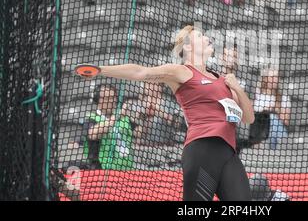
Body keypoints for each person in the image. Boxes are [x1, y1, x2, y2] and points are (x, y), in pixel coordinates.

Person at [75, 25, 255, 201]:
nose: (208, 39)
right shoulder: (182, 71)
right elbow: (140, 71)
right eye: (201, 36)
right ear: (187, 46)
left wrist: (237, 88)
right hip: (202, 148)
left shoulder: (223, 80)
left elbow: (248, 118)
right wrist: (102, 70)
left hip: (228, 153)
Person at [81, 84, 136, 170]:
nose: (112, 101)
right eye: (108, 98)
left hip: (127, 169)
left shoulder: (124, 118)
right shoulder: (91, 118)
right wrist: (118, 116)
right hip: (101, 170)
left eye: (113, 97)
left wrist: (146, 118)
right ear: (97, 100)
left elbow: (139, 132)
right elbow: (92, 134)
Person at [253, 68, 291, 150]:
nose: (275, 80)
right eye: (272, 77)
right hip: (259, 127)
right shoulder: (257, 95)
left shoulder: (283, 97)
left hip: (276, 130)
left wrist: (275, 110)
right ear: (266, 78)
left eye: (277, 77)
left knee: (273, 118)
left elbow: (286, 121)